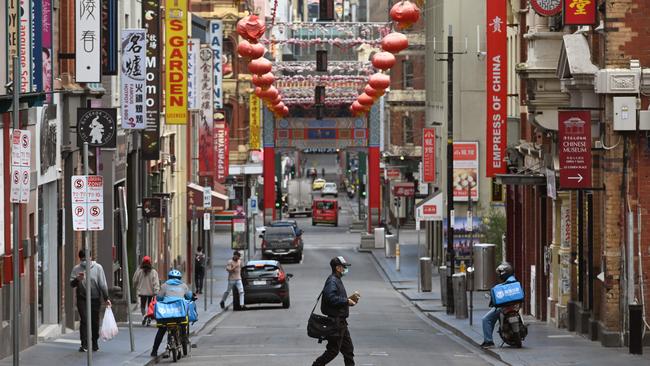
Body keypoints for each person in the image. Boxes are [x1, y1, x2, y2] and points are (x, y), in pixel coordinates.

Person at [312, 256, 359, 366]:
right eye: (344, 267)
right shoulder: (332, 280)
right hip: (336, 322)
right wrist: (346, 301)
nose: (345, 269)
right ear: (338, 268)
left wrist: (349, 300)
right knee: (333, 351)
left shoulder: (336, 280)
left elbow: (335, 299)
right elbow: (330, 298)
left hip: (341, 322)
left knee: (348, 351)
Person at [69, 250, 111, 353]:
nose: (84, 262)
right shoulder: (76, 269)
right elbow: (72, 284)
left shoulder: (98, 268)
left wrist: (106, 298)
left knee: (94, 321)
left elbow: (103, 284)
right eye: (82, 260)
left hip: (95, 298)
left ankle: (94, 342)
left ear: (91, 258)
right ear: (80, 259)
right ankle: (84, 344)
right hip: (82, 298)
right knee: (84, 320)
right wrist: (77, 279)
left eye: (86, 259)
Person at [151, 269, 193, 358]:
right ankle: (183, 340)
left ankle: (154, 351)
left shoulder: (164, 285)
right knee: (182, 326)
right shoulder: (184, 286)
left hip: (166, 315)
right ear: (180, 278)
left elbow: (158, 298)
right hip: (179, 315)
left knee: (161, 331)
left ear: (169, 277)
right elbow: (189, 296)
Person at [481, 262, 516, 348]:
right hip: (514, 306)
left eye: (500, 273)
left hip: (503, 306)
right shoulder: (514, 280)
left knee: (486, 319)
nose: (499, 275)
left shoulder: (502, 285)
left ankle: (488, 341)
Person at [132, 256, 160, 326]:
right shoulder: (153, 272)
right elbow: (156, 283)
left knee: (142, 305)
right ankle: (149, 318)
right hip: (151, 292)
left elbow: (134, 280)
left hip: (142, 292)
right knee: (150, 306)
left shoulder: (139, 271)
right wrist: (156, 292)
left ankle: (144, 316)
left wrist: (134, 286)